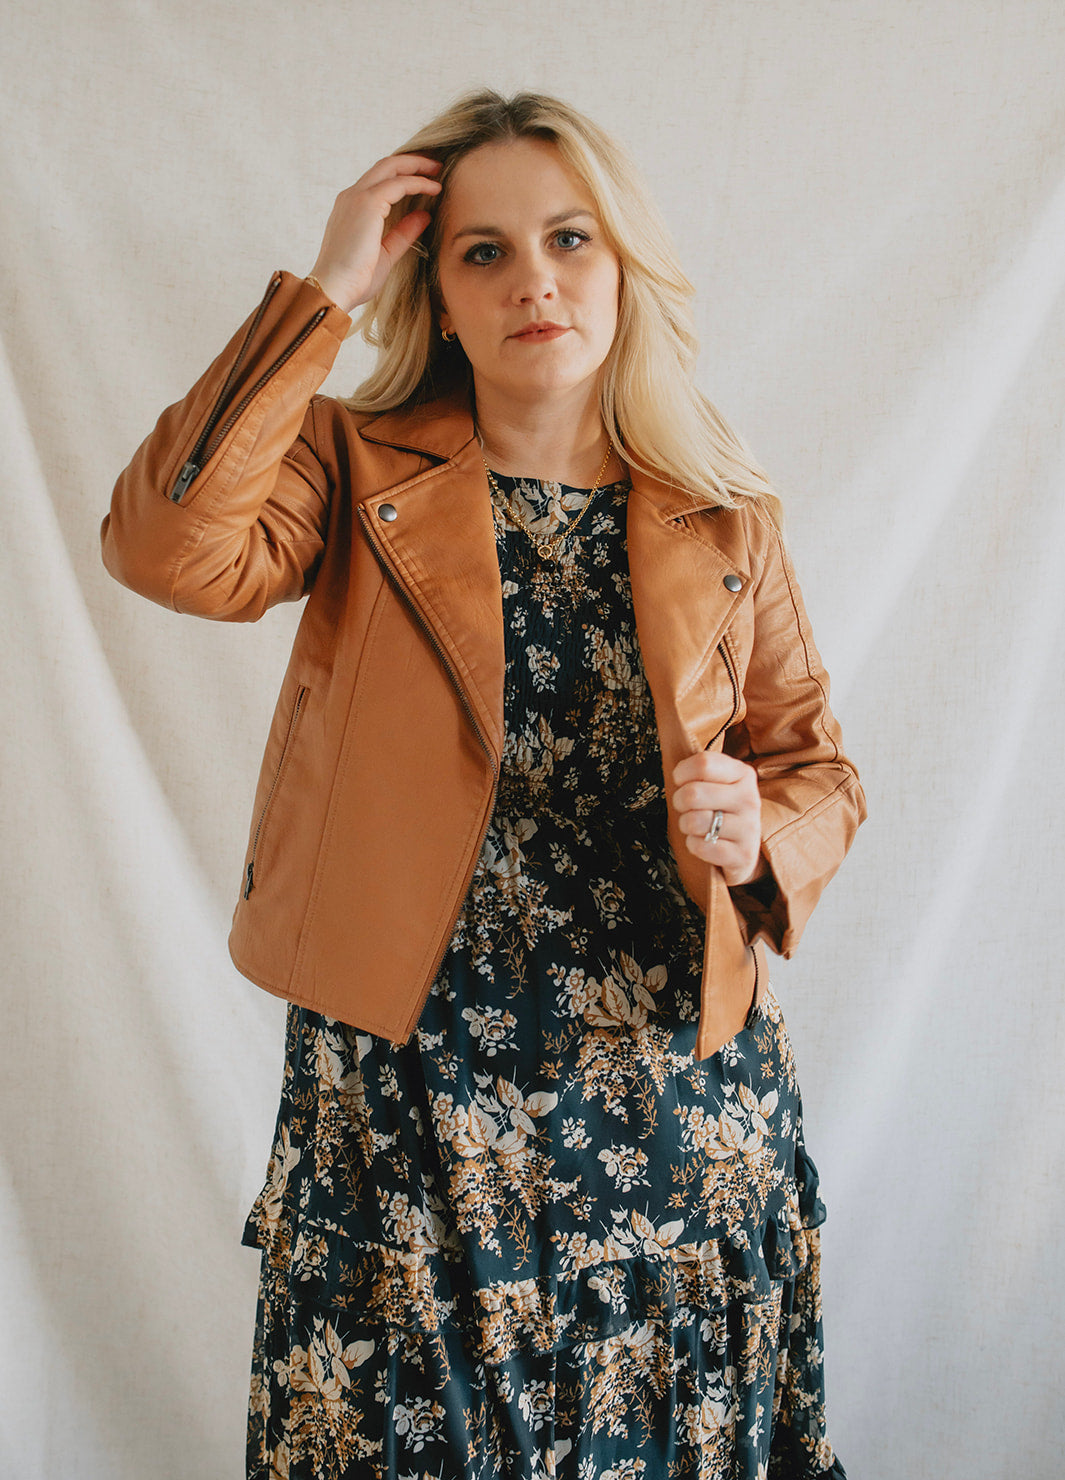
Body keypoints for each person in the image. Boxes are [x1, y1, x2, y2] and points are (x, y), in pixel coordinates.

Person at [101, 89, 865, 1480]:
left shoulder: (724, 513)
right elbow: (166, 548)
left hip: (670, 1117)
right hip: (405, 1107)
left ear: (622, 265)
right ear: (437, 298)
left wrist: (762, 831)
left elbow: (815, 767)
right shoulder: (347, 465)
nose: (534, 282)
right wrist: (326, 291)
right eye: (482, 252)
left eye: (570, 239)